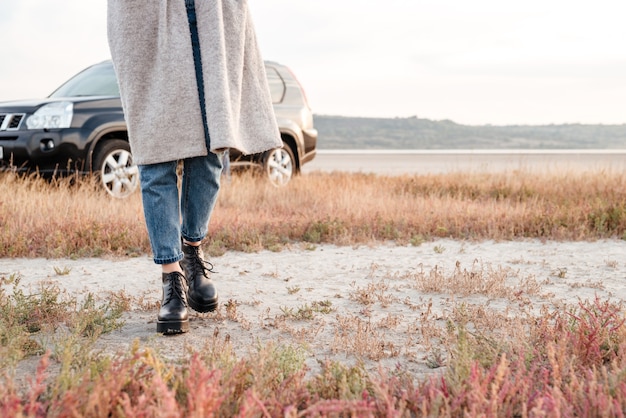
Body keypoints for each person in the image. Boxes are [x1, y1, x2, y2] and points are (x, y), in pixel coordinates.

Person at [107, 0, 282, 334]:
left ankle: (191, 252)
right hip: (147, 17)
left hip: (211, 13)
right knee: (155, 156)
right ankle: (171, 277)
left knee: (212, 149)